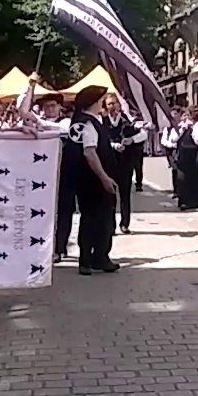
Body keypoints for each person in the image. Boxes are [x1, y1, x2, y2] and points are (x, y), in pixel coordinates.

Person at [66, 85, 120, 275]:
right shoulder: (88, 124)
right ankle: (92, 258)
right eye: (101, 101)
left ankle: (96, 257)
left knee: (96, 219)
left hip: (89, 180)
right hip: (93, 180)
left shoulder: (87, 121)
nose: (103, 104)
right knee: (96, 219)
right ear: (94, 103)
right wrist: (104, 177)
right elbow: (89, 152)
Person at [103, 94, 147, 234]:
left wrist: (131, 140)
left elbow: (143, 134)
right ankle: (110, 225)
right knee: (109, 195)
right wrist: (113, 145)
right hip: (109, 162)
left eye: (114, 103)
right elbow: (100, 140)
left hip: (125, 162)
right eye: (109, 104)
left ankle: (124, 224)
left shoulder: (126, 120)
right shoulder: (102, 122)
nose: (112, 106)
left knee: (125, 194)